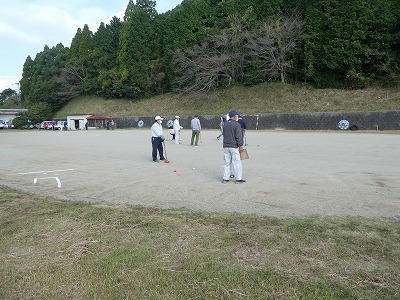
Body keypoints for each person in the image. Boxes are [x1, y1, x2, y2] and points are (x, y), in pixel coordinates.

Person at [222, 110, 246, 184]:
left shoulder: (225, 124)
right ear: (235, 116)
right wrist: (241, 145)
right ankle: (238, 178)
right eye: (237, 115)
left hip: (226, 145)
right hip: (234, 146)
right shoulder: (237, 125)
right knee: (236, 162)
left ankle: (225, 178)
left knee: (227, 162)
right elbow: (239, 136)